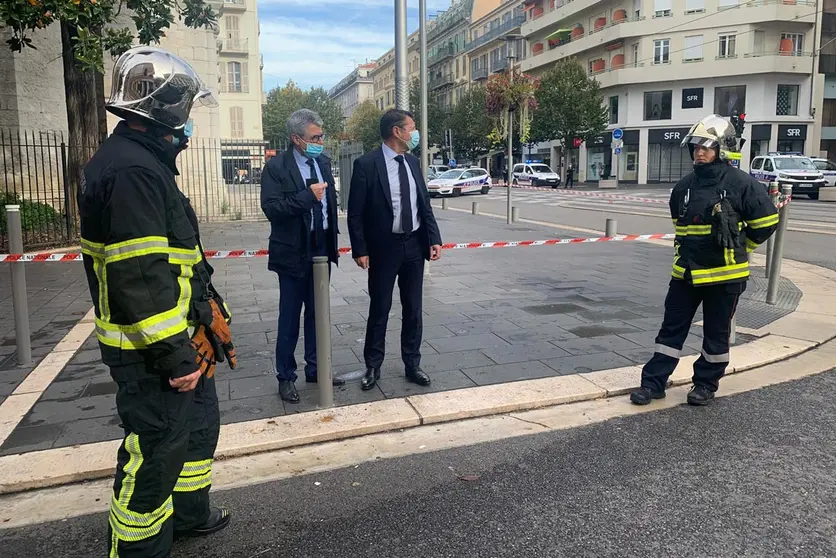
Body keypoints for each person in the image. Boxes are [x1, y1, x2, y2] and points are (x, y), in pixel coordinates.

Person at [78, 46, 235, 557]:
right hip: (150, 349)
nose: (188, 119)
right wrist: (174, 355)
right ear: (165, 109)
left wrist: (207, 312)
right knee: (156, 449)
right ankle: (137, 548)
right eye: (184, 106)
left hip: (181, 336)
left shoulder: (142, 162)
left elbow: (177, 257)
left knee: (195, 432)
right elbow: (139, 277)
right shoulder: (133, 173)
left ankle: (188, 516)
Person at [630, 114, 778, 407]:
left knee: (715, 334)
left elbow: (767, 221)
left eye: (707, 147)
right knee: (670, 331)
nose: (700, 152)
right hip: (685, 274)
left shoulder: (741, 183)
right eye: (696, 146)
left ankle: (705, 384)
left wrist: (740, 246)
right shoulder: (684, 187)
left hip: (725, 277)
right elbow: (679, 225)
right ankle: (653, 383)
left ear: (721, 149)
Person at [347, 109, 443, 390]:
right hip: (383, 248)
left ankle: (412, 363)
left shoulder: (413, 163)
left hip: (413, 245)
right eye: (412, 128)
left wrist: (433, 238)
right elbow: (355, 212)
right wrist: (359, 249)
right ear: (396, 132)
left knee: (414, 308)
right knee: (380, 308)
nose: (415, 133)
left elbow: (423, 204)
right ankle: (373, 366)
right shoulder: (367, 164)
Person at [260, 109, 342, 403]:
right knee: (290, 316)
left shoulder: (322, 161)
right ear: (296, 139)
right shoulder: (276, 168)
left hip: (321, 246)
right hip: (293, 250)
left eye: (321, 136)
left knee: (318, 313)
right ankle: (286, 376)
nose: (321, 141)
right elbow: (272, 209)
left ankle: (316, 369)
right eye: (315, 137)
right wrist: (308, 197)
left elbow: (330, 206)